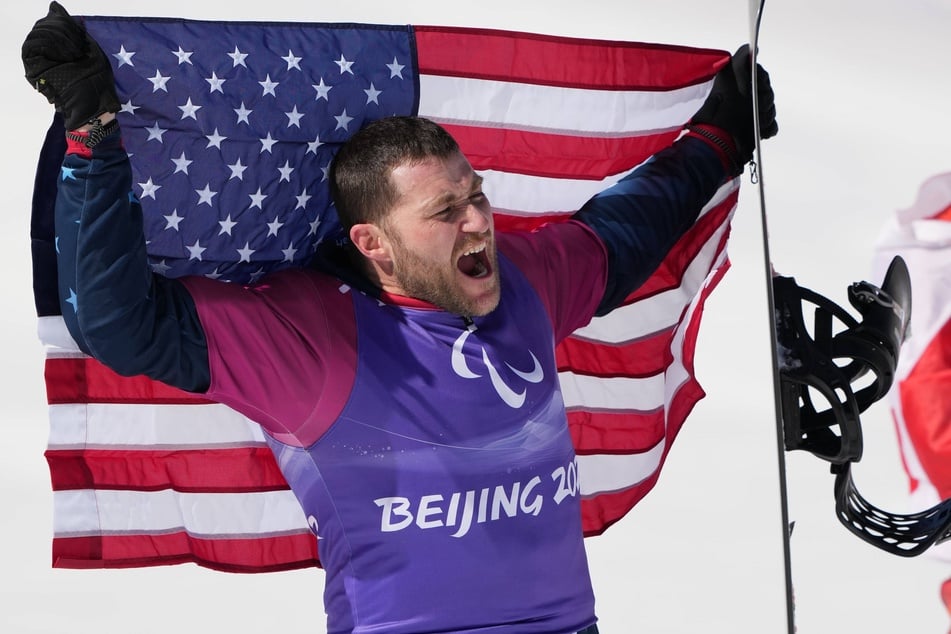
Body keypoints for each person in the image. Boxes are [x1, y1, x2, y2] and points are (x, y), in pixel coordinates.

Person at [22, 2, 777, 633]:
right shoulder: (311, 341)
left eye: (475, 195)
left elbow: (625, 233)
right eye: (445, 211)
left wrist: (719, 135)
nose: (478, 222)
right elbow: (119, 324)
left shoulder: (526, 283)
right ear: (371, 243)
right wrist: (93, 140)